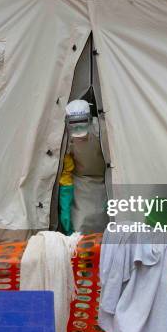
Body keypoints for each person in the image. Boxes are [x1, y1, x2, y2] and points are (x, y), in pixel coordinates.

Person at [58, 100, 108, 235]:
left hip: (105, 180)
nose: (78, 129)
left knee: (105, 227)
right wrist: (65, 202)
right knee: (80, 229)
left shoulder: (103, 129)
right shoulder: (65, 136)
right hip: (81, 183)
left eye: (82, 123)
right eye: (73, 124)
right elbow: (66, 170)